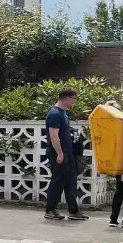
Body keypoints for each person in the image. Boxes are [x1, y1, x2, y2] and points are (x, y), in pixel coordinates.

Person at [44, 88, 89, 220]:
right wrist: (59, 153)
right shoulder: (54, 114)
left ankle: (74, 211)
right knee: (58, 181)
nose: (74, 102)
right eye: (73, 99)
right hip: (58, 153)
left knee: (71, 181)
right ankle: (50, 210)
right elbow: (54, 136)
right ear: (66, 98)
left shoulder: (63, 113)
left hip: (68, 153)